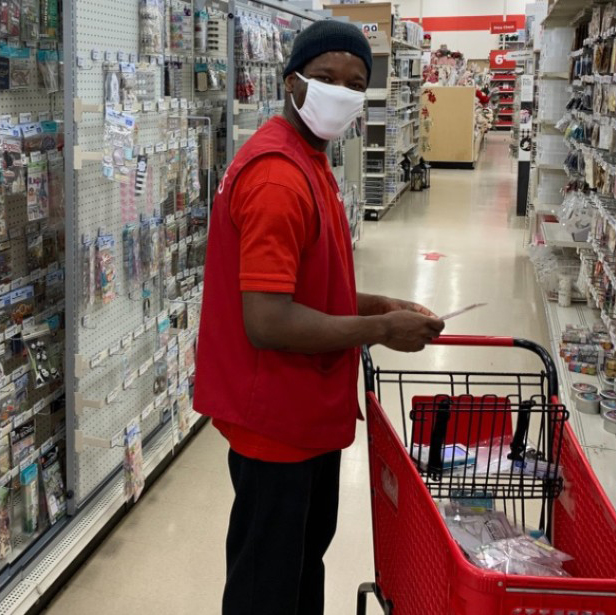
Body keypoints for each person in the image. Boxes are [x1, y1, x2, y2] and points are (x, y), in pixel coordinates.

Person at [193, 19, 445, 615]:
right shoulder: (279, 175)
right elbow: (269, 321)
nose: (341, 92)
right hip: (276, 420)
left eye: (355, 83)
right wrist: (381, 331)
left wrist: (379, 304)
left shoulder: (308, 159)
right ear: (292, 83)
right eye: (326, 78)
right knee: (267, 584)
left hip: (303, 414)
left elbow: (311, 285)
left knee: (301, 565)